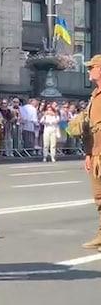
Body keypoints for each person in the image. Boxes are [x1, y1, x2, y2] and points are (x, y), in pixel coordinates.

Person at [81, 55, 101, 250]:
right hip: (96, 154)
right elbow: (90, 127)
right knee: (99, 196)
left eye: (91, 67)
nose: (89, 71)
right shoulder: (94, 95)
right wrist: (88, 153)